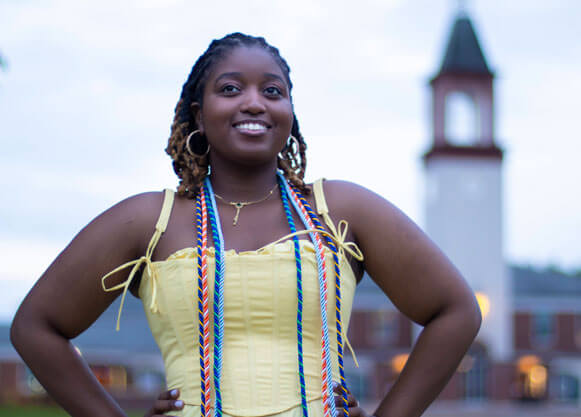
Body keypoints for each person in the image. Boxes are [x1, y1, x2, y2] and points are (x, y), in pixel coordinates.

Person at [10, 33, 481, 417]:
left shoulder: (339, 209)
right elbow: (36, 326)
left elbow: (456, 311)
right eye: (231, 89)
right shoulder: (148, 220)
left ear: (290, 114)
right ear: (199, 113)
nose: (254, 103)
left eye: (272, 91)